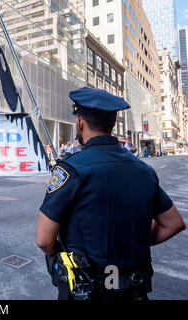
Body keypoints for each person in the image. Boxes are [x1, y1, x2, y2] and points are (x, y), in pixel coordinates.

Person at [35, 87, 186, 301]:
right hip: (135, 291)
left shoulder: (71, 169)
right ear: (113, 124)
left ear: (80, 122)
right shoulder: (144, 170)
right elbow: (173, 223)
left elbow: (44, 239)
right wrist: (131, 239)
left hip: (86, 290)